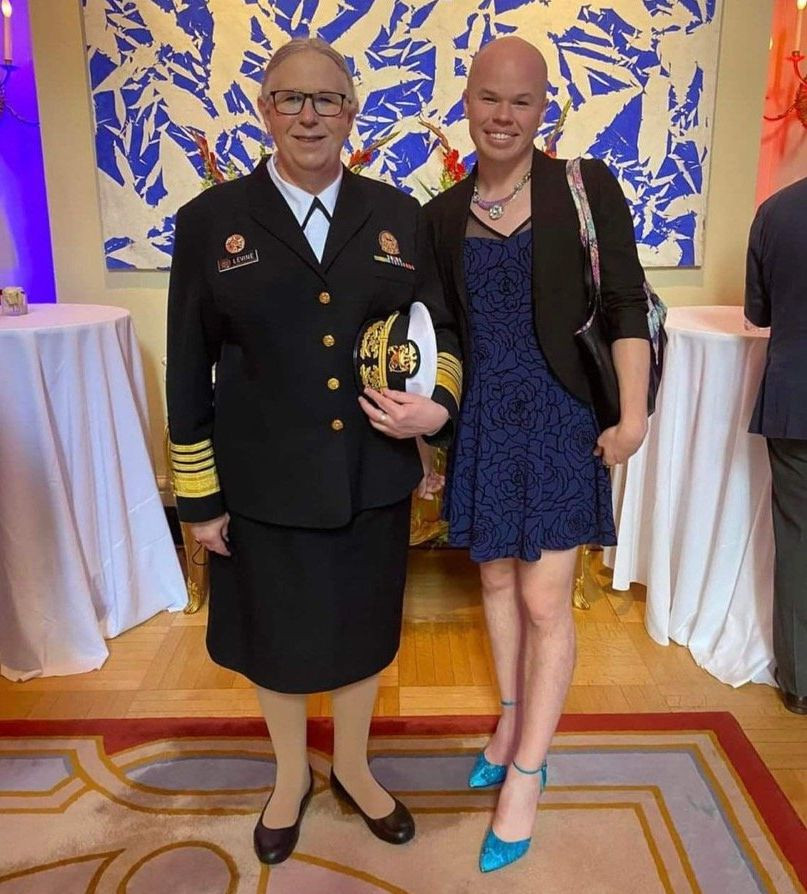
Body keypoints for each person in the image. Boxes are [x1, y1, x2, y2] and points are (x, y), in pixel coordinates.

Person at [166, 37, 462, 865]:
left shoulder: (397, 216)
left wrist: (435, 407)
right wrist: (199, 499)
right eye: (290, 99)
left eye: (325, 99)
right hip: (261, 480)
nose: (308, 116)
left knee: (363, 632)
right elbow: (187, 368)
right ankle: (291, 775)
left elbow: (438, 331)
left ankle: (356, 769)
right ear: (264, 112)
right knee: (277, 638)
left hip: (370, 475)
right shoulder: (211, 222)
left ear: (351, 113)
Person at [420, 36, 650, 872]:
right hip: (483, 424)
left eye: (520, 101)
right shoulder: (441, 215)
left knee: (544, 598)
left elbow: (624, 303)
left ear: (542, 108)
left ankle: (526, 771)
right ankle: (512, 719)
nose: (502, 115)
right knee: (491, 581)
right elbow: (441, 334)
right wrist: (434, 432)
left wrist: (632, 417)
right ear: (466, 102)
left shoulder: (582, 188)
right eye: (489, 97)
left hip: (560, 419)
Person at [745, 175, 807, 716]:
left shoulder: (776, 211)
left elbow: (758, 313)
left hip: (795, 398)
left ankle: (800, 682)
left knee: (797, 540)